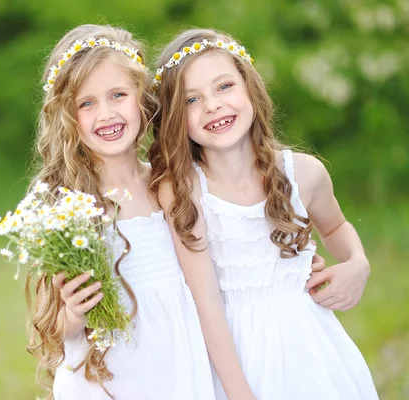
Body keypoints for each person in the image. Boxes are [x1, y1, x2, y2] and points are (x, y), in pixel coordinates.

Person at [149, 28, 378, 399]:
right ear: (176, 116)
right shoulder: (185, 193)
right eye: (192, 99)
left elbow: (336, 226)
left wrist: (357, 262)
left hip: (312, 349)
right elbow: (207, 304)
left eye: (224, 87)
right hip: (232, 359)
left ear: (249, 87)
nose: (212, 105)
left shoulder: (303, 173)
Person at [25, 24, 238, 400]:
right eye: (86, 103)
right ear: (67, 116)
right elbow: (52, 326)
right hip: (107, 382)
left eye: (117, 95)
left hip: (177, 372)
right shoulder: (67, 205)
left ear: (141, 98)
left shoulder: (170, 185)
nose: (105, 114)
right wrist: (73, 312)